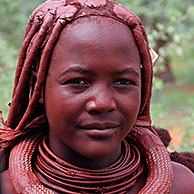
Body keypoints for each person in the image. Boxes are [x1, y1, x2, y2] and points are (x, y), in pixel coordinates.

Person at [0, 0, 194, 193]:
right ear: (38, 87)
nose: (103, 103)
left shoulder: (181, 185)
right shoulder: (6, 188)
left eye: (123, 82)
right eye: (78, 81)